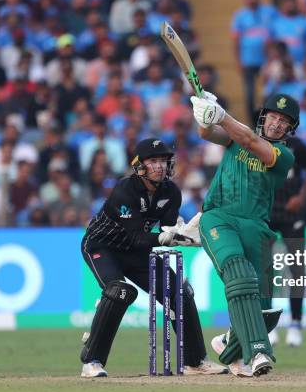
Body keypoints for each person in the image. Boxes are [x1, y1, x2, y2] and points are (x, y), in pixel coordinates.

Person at [79, 138, 226, 377]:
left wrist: (182, 234)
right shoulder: (124, 190)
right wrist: (165, 237)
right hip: (102, 246)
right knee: (120, 291)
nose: (159, 166)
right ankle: (92, 362)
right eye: (153, 161)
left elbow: (167, 229)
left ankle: (195, 362)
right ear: (140, 165)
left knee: (180, 291)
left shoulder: (171, 192)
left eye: (163, 161)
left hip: (137, 254)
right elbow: (137, 236)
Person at [190, 92, 298, 377]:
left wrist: (222, 114)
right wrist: (204, 114)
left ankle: (229, 345)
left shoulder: (284, 156)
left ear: (289, 130)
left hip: (257, 227)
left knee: (264, 307)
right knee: (239, 273)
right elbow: (206, 132)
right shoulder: (234, 138)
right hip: (219, 217)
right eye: (273, 116)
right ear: (264, 117)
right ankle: (259, 351)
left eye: (283, 122)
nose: (276, 124)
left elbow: (251, 142)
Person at [267, 136, 306, 348]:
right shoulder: (259, 143)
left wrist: (302, 198)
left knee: (297, 269)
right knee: (264, 269)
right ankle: (268, 324)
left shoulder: (298, 147)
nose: (278, 125)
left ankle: (295, 323)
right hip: (266, 213)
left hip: (292, 214)